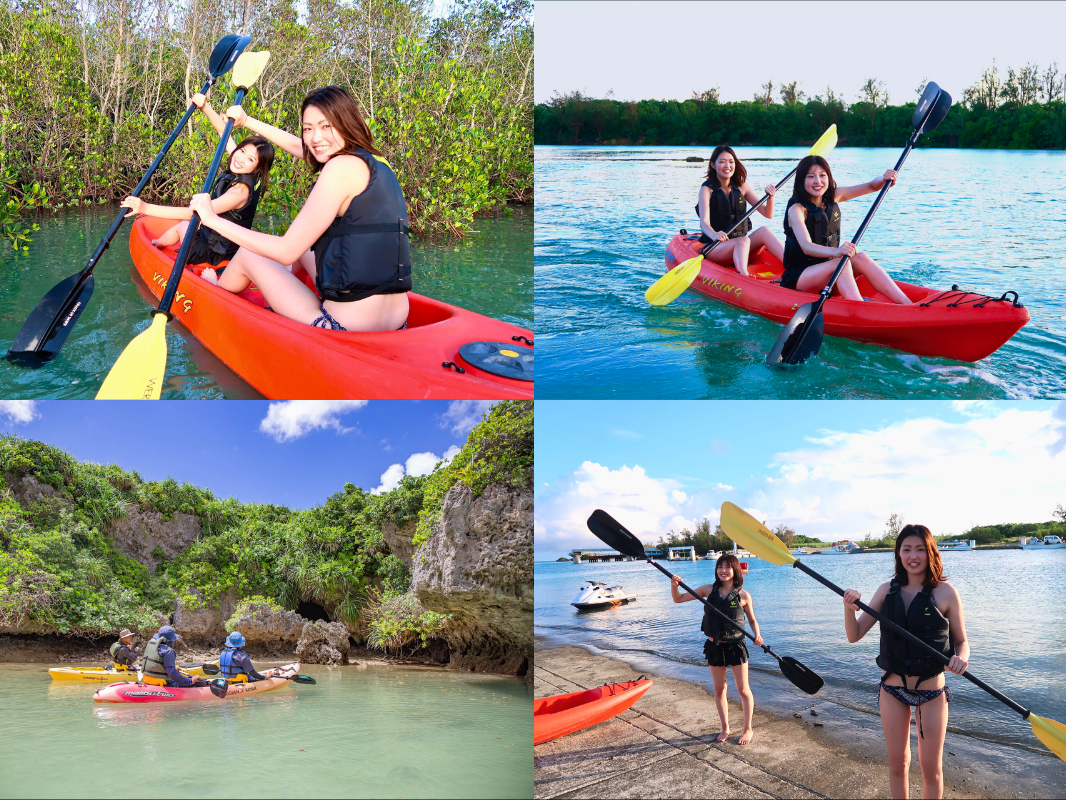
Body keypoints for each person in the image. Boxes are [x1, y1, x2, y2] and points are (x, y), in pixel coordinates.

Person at [189, 85, 411, 333]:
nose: (316, 138)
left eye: (326, 126)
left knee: (248, 253)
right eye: (308, 129)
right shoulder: (376, 162)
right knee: (306, 246)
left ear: (346, 122)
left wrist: (211, 219)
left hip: (342, 326)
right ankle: (285, 290)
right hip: (398, 321)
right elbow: (304, 149)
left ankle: (216, 288)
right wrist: (248, 121)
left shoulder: (339, 169)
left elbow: (286, 251)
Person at [842, 525, 970, 800]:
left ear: (930, 552)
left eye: (920, 549)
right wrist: (848, 607)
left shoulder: (946, 593)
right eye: (907, 549)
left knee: (931, 768)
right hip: (893, 689)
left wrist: (962, 658)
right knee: (898, 764)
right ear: (898, 554)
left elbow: (962, 642)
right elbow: (854, 635)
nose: (913, 556)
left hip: (932, 690)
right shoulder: (886, 591)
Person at [120, 93, 274, 270]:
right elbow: (223, 133)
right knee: (183, 227)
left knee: (183, 226)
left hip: (216, 251)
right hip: (216, 239)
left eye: (251, 159)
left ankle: (155, 247)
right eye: (242, 151)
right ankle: (156, 245)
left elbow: (195, 214)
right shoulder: (242, 166)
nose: (241, 158)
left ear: (257, 169)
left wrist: (146, 208)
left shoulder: (239, 192)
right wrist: (205, 107)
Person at [780, 155, 913, 304]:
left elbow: (870, 186)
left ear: (828, 178)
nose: (817, 181)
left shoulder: (833, 196)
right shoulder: (796, 209)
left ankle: (907, 304)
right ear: (801, 181)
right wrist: (836, 252)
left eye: (822, 175)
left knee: (861, 257)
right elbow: (806, 246)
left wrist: (883, 180)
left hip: (828, 275)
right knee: (839, 263)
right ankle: (860, 307)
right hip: (800, 277)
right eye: (811, 177)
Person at [670, 554, 763, 745]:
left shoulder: (744, 595)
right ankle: (725, 728)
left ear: (735, 570)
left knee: (743, 689)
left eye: (727, 567)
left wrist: (758, 635)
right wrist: (674, 585)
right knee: (720, 689)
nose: (723, 570)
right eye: (720, 567)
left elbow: (752, 620)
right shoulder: (706, 590)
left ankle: (748, 729)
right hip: (714, 646)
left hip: (736, 646)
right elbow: (678, 599)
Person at [695, 146, 785, 276]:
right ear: (713, 165)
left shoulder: (743, 187)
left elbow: (768, 214)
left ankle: (792, 265)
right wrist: (714, 235)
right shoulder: (706, 190)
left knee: (763, 231)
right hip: (716, 248)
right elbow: (704, 222)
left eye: (731, 162)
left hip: (741, 247)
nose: (727, 165)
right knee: (743, 240)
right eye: (722, 161)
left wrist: (770, 198)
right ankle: (743, 274)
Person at [139, 625, 208, 687]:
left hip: (148, 679)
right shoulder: (168, 651)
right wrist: (191, 680)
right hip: (163, 682)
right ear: (169, 640)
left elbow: (156, 665)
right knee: (199, 682)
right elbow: (172, 674)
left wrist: (172, 669)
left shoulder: (153, 646)